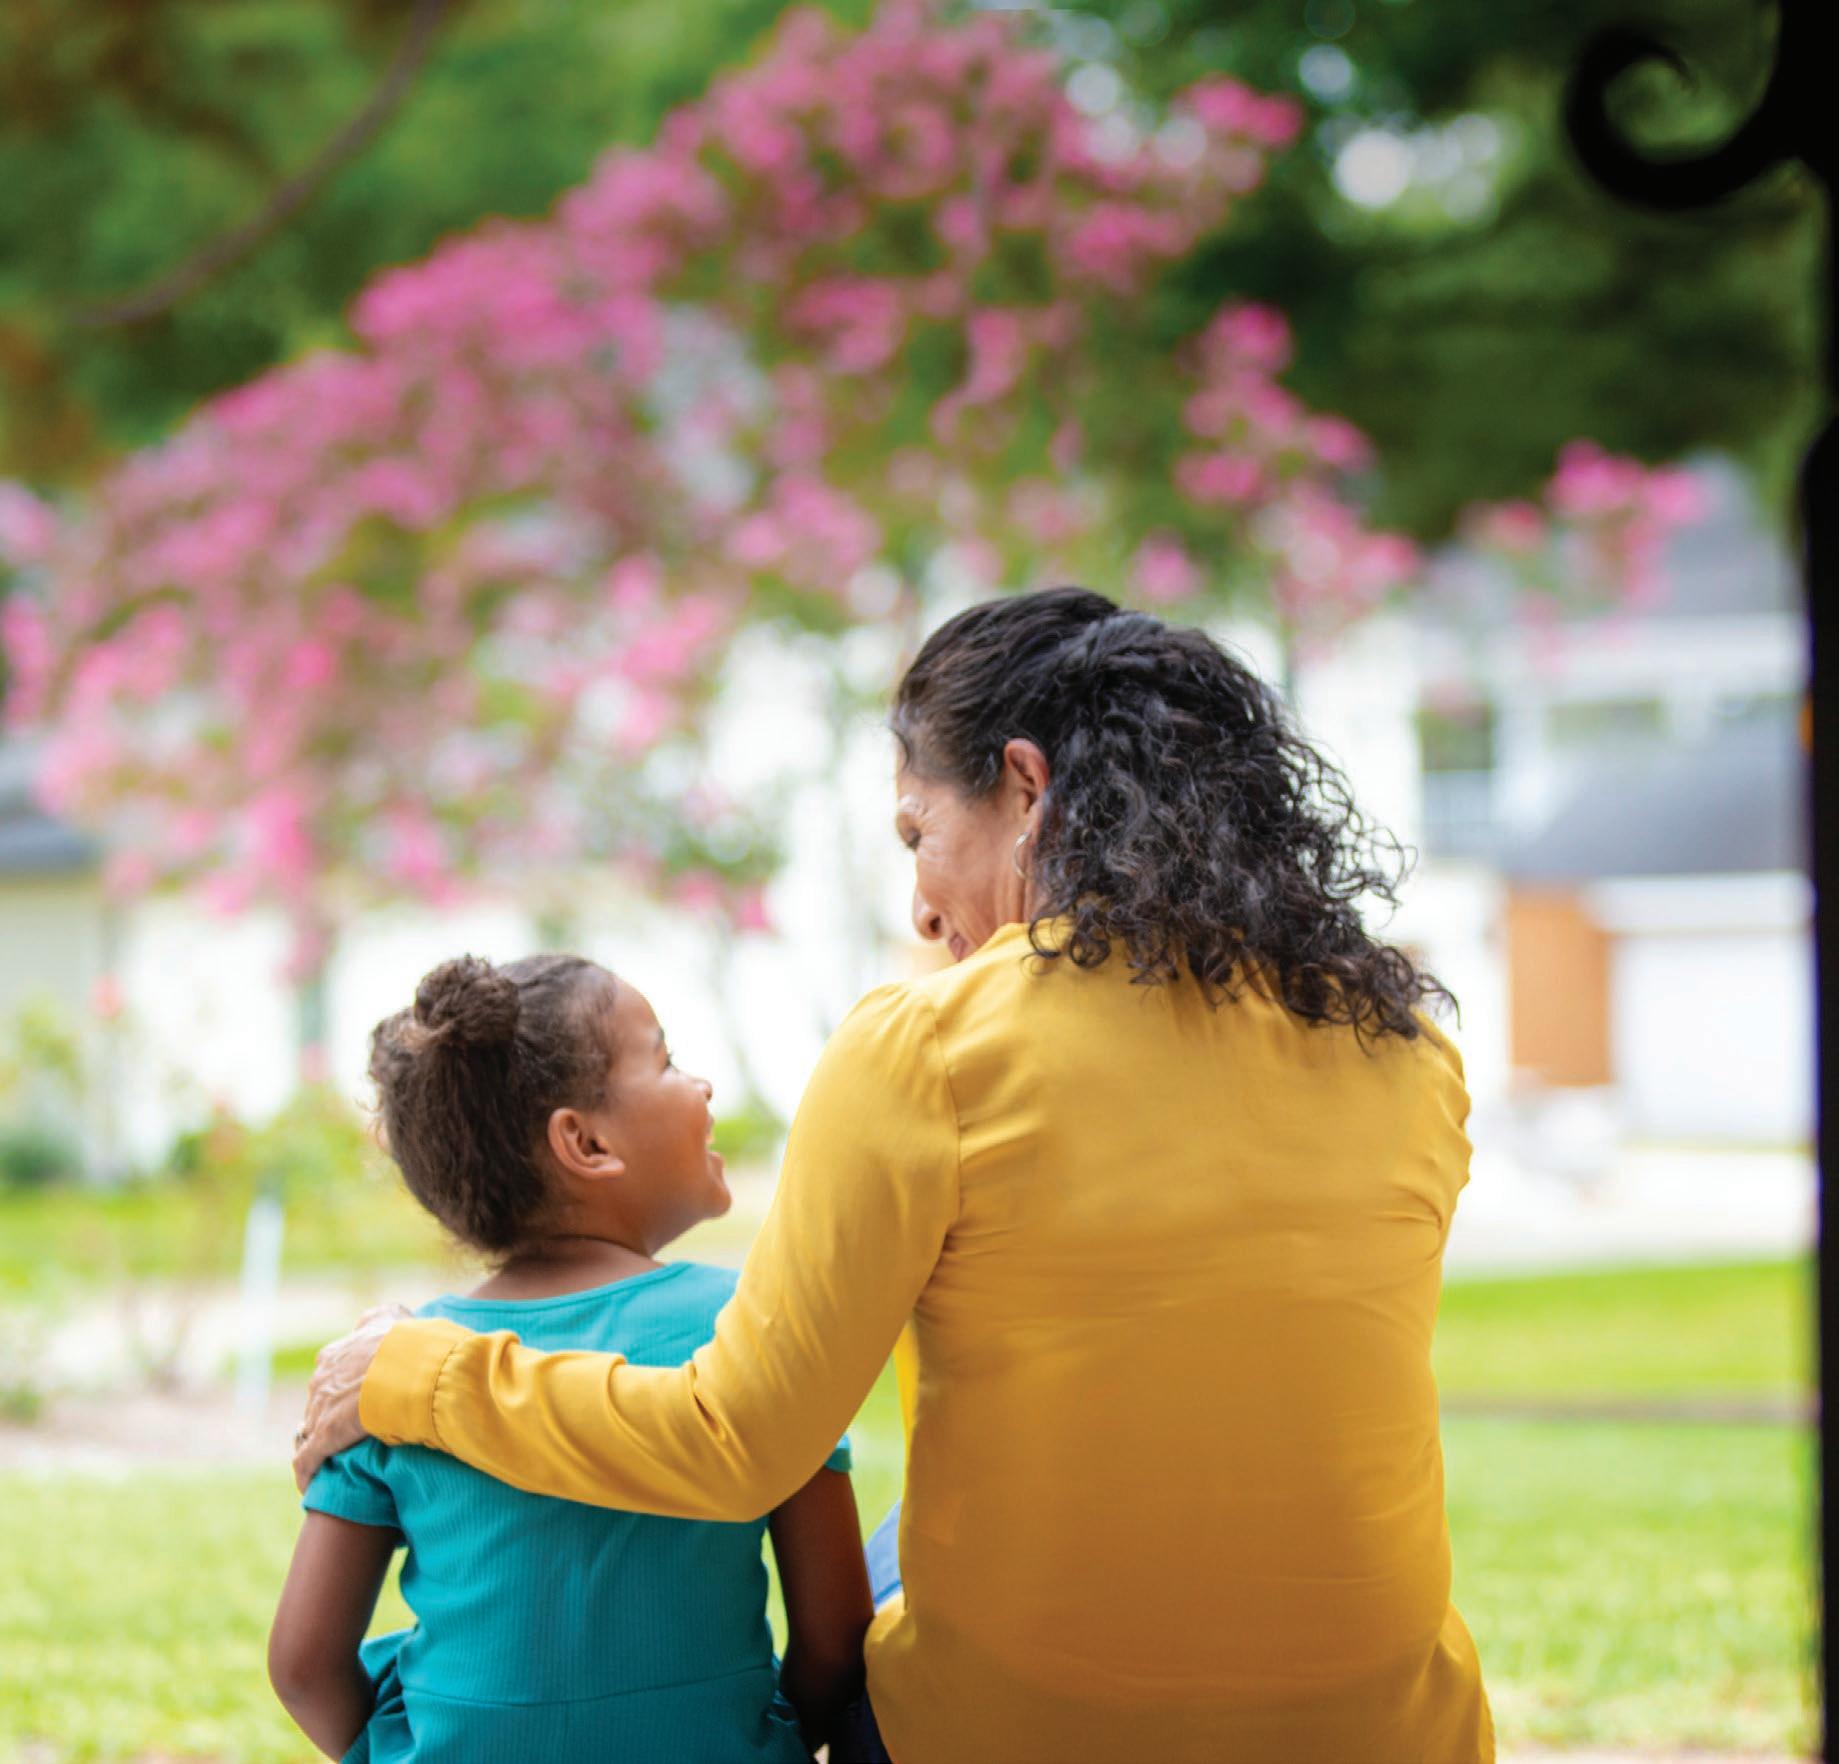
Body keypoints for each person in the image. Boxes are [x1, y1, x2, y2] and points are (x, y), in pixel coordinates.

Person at [296, 587, 1494, 1764]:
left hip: (1024, 1740)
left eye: (920, 835)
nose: (923, 911)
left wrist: (418, 1372)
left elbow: (736, 1443)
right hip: (1390, 1735)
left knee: (889, 1544)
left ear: (1025, 787)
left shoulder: (928, 1049)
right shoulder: (1407, 1052)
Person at [269, 952, 872, 1763]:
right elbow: (834, 1642)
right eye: (666, 1060)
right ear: (585, 1142)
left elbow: (303, 1665)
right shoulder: (746, 1326)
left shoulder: (385, 1371)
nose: (702, 1086)